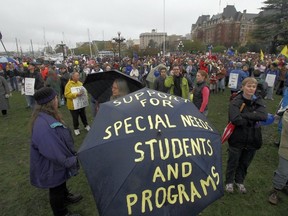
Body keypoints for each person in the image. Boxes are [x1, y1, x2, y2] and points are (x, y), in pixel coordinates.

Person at [30, 87, 82, 216]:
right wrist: (72, 160)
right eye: (56, 97)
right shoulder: (44, 125)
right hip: (51, 165)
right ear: (51, 101)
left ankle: (65, 197)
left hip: (55, 165)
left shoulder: (48, 116)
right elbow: (54, 153)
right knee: (56, 188)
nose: (57, 99)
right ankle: (61, 213)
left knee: (60, 183)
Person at [225, 77, 267, 194]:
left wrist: (245, 115)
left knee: (245, 162)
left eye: (253, 87)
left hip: (253, 138)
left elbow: (263, 116)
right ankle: (229, 181)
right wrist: (253, 117)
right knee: (233, 161)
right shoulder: (236, 101)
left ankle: (239, 181)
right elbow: (235, 119)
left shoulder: (258, 100)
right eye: (248, 86)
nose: (251, 89)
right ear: (242, 87)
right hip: (237, 137)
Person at [268, 109, 288, 205]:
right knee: (283, 172)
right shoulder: (287, 113)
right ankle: (275, 192)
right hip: (286, 149)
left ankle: (285, 186)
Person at [64, 72, 90, 136]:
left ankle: (86, 125)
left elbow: (84, 91)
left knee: (83, 115)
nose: (79, 77)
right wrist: (76, 94)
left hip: (81, 104)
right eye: (77, 76)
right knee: (75, 117)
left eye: (78, 75)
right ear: (73, 77)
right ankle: (76, 128)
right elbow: (67, 95)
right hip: (73, 105)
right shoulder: (68, 85)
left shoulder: (80, 83)